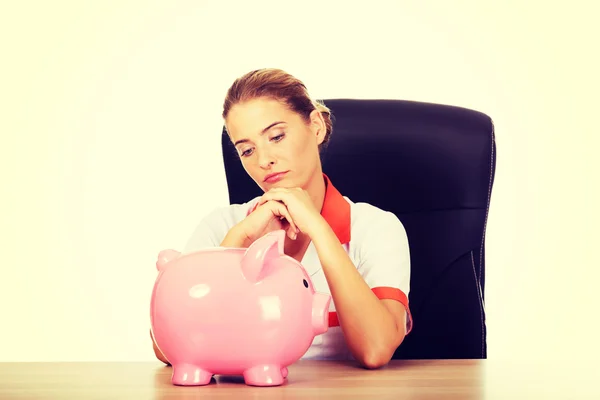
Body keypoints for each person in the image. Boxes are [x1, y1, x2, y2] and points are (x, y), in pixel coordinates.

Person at [152, 68, 412, 369]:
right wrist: (238, 242)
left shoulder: (376, 227)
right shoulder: (221, 227)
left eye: (276, 136)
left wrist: (318, 227)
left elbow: (375, 349)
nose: (263, 161)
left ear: (316, 126)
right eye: (247, 150)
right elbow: (169, 345)